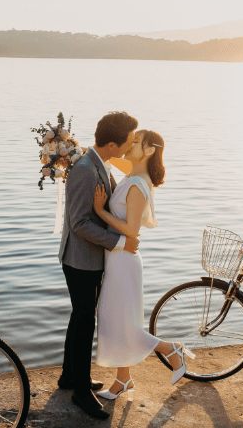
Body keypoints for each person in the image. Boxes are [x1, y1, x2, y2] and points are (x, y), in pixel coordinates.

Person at [92, 129, 193, 400]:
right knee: (117, 320)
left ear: (148, 150)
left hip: (124, 261)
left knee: (125, 324)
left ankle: (171, 349)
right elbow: (108, 159)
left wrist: (101, 211)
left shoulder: (137, 184)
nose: (129, 144)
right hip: (117, 259)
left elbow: (132, 230)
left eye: (135, 142)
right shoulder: (133, 174)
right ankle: (123, 380)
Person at [57, 111, 139, 420]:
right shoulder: (85, 170)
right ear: (114, 143)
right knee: (84, 321)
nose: (130, 144)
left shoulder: (98, 162)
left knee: (80, 318)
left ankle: (69, 376)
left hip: (88, 258)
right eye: (129, 140)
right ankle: (80, 391)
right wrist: (118, 243)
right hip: (80, 259)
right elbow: (78, 223)